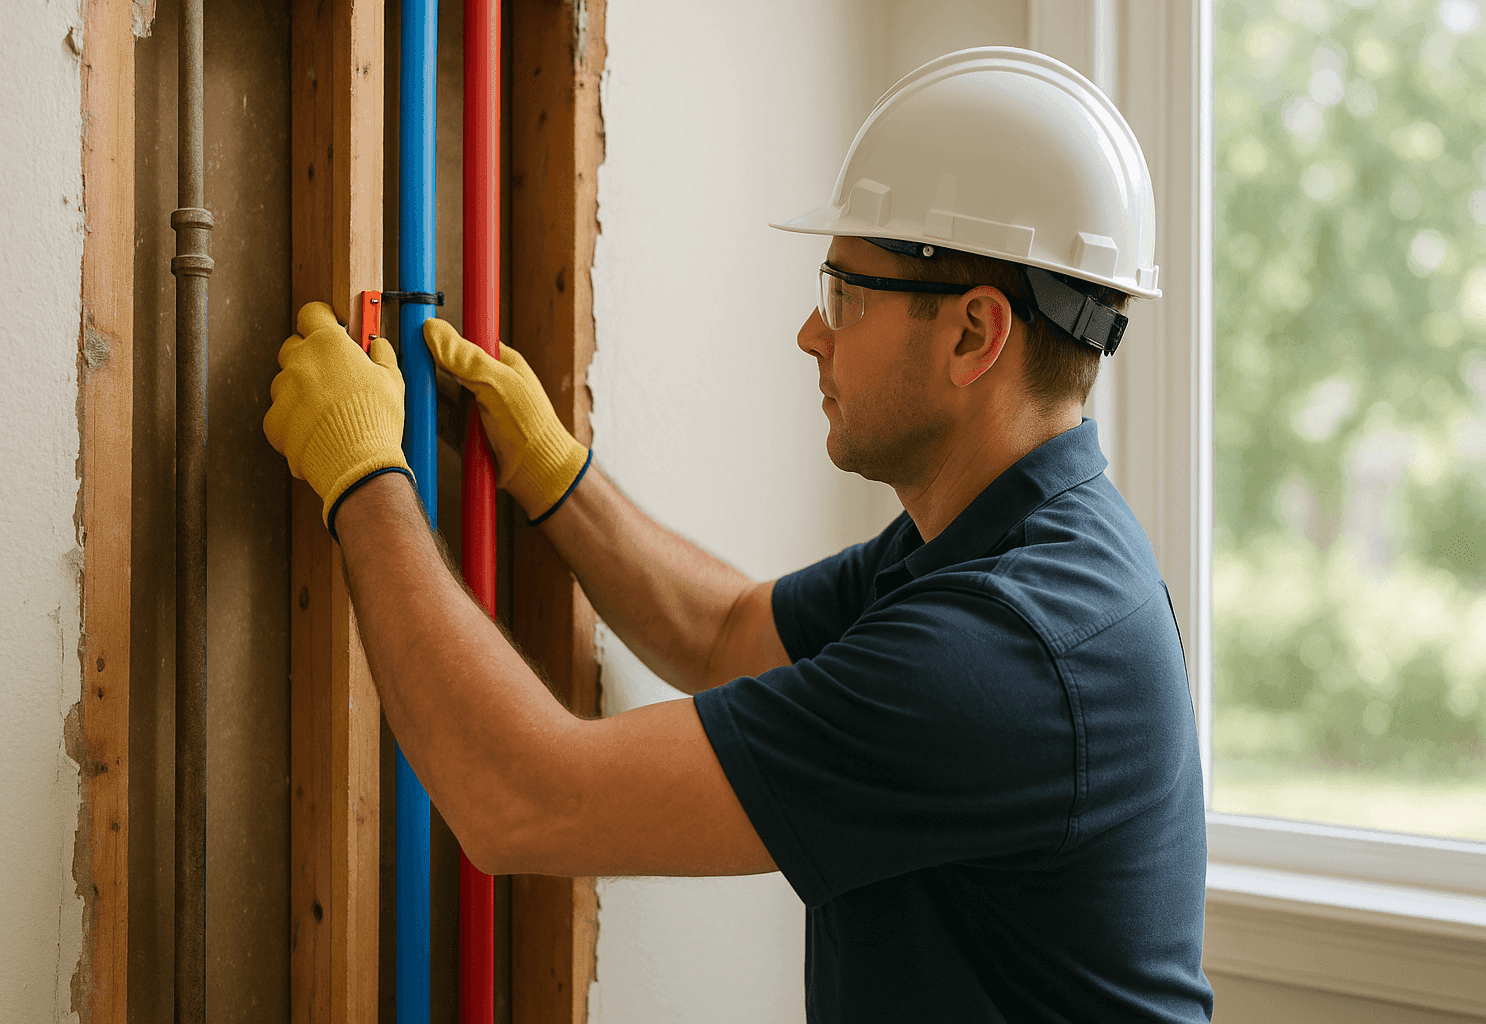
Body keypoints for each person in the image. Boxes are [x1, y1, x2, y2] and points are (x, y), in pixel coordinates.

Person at [264, 47, 1213, 1024]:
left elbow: (522, 798)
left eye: (845, 293)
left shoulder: (1004, 651)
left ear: (974, 334)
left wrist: (365, 476)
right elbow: (724, 633)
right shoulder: (1004, 538)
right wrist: (554, 475)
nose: (812, 333)